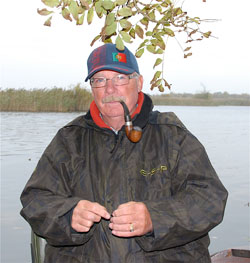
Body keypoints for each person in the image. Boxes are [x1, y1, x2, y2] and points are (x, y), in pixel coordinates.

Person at [20, 43, 228, 263]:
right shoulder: (68, 140)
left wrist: (155, 218)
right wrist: (68, 214)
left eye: (120, 78)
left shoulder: (173, 135)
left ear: (138, 82)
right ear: (92, 88)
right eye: (100, 80)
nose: (110, 89)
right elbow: (35, 200)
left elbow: (210, 199)